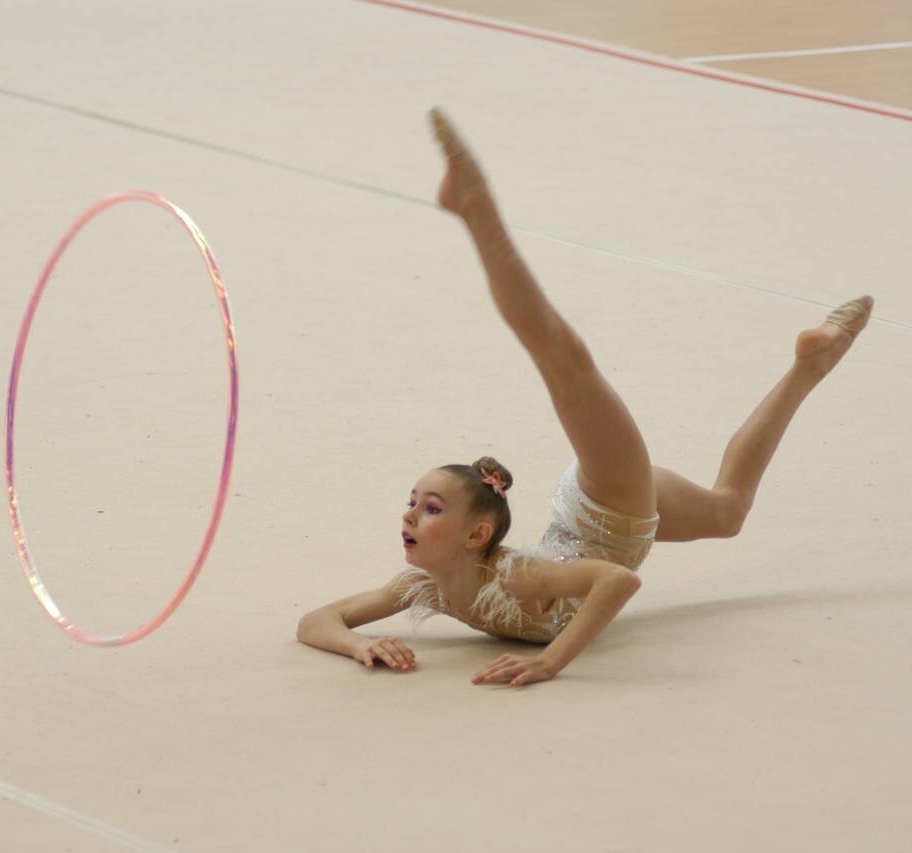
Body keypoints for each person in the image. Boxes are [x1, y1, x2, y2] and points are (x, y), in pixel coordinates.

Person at [296, 108, 873, 688]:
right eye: (416, 501)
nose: (409, 514)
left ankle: (477, 210)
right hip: (610, 519)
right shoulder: (422, 585)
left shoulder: (519, 576)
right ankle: (811, 364)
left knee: (564, 364)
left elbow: (617, 581)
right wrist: (355, 642)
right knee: (728, 513)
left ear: (477, 536)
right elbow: (316, 620)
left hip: (610, 510)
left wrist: (550, 662)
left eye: (430, 507)